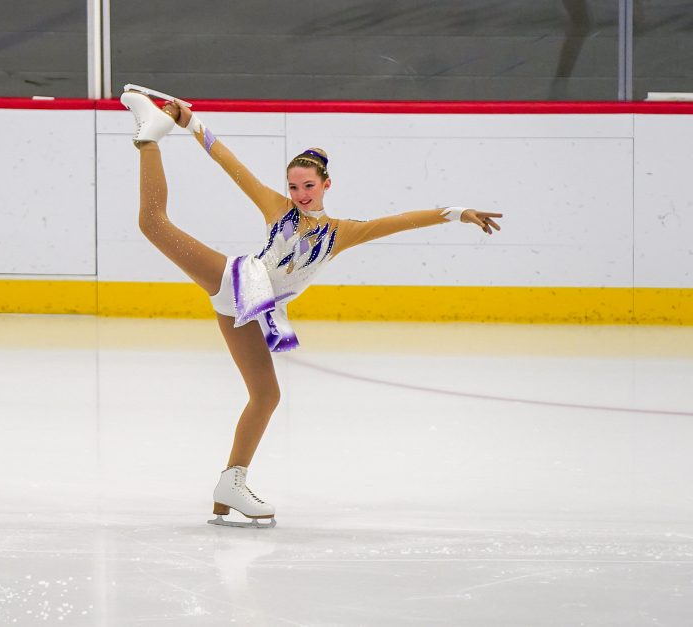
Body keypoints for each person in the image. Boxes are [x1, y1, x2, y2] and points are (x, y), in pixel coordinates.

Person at [120, 88, 503, 529]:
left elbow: (398, 222)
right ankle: (149, 137)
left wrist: (456, 213)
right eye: (294, 186)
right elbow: (229, 163)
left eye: (308, 186)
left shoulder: (341, 233)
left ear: (325, 186)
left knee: (267, 395)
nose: (300, 194)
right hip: (239, 281)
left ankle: (231, 481)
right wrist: (190, 123)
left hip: (248, 309)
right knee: (153, 222)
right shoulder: (278, 208)